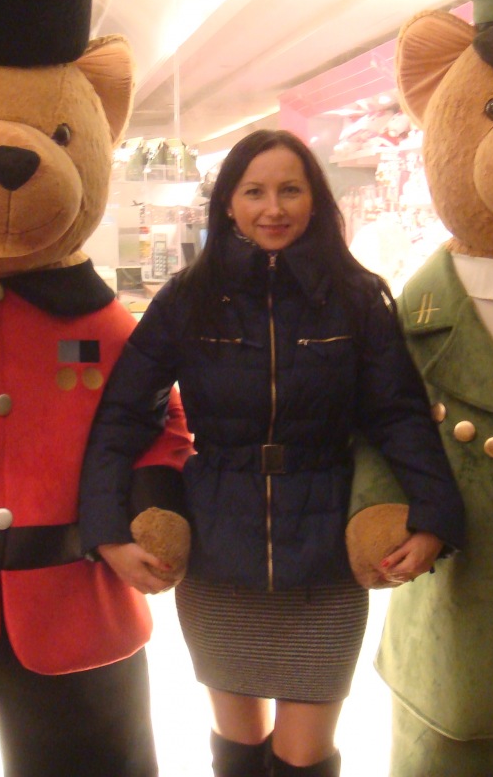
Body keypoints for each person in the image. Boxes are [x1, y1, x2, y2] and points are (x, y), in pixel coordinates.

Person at [79, 129, 466, 777]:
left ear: (315, 198)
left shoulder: (357, 297)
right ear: (228, 203)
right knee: (235, 751)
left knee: (304, 757)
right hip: (219, 553)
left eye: (290, 190)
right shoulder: (189, 299)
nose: (273, 208)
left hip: (324, 560)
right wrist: (106, 530)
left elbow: (398, 414)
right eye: (254, 192)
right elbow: (124, 415)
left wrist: (434, 518)